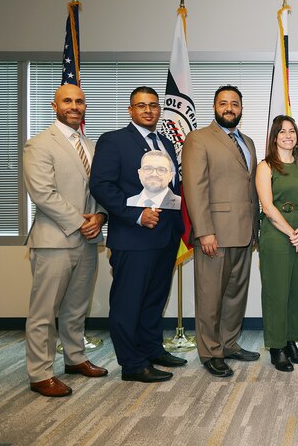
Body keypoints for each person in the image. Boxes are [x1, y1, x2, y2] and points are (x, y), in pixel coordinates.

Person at [90, 86, 186, 383]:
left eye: (153, 106)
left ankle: (151, 348)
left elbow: (172, 186)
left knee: (154, 299)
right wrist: (136, 215)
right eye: (141, 106)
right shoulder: (114, 141)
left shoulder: (166, 143)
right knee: (128, 302)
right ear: (130, 110)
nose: (148, 110)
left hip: (165, 236)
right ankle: (132, 364)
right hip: (133, 237)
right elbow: (101, 185)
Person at [23, 84, 109, 397]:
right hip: (54, 241)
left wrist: (99, 217)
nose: (74, 106)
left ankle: (75, 358)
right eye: (67, 101)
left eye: (80, 101)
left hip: (87, 240)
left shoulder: (89, 144)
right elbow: (43, 193)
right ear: (54, 105)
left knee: (76, 307)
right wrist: (79, 223)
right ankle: (40, 372)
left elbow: (100, 188)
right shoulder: (39, 144)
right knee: (44, 312)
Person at [183, 85, 261, 378]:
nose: (230, 108)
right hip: (214, 233)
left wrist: (255, 228)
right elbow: (195, 187)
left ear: (241, 108)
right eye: (224, 103)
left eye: (235, 104)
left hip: (244, 232)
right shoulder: (198, 139)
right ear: (214, 106)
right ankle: (210, 351)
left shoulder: (248, 142)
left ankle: (229, 343)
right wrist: (204, 231)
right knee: (210, 295)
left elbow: (249, 187)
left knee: (235, 294)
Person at [255, 115, 298, 372]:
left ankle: (291, 341)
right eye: (282, 132)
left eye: (292, 131)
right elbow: (267, 207)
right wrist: (292, 232)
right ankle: (276, 347)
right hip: (277, 233)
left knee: (297, 291)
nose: (288, 135)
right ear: (274, 137)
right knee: (276, 291)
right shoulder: (266, 166)